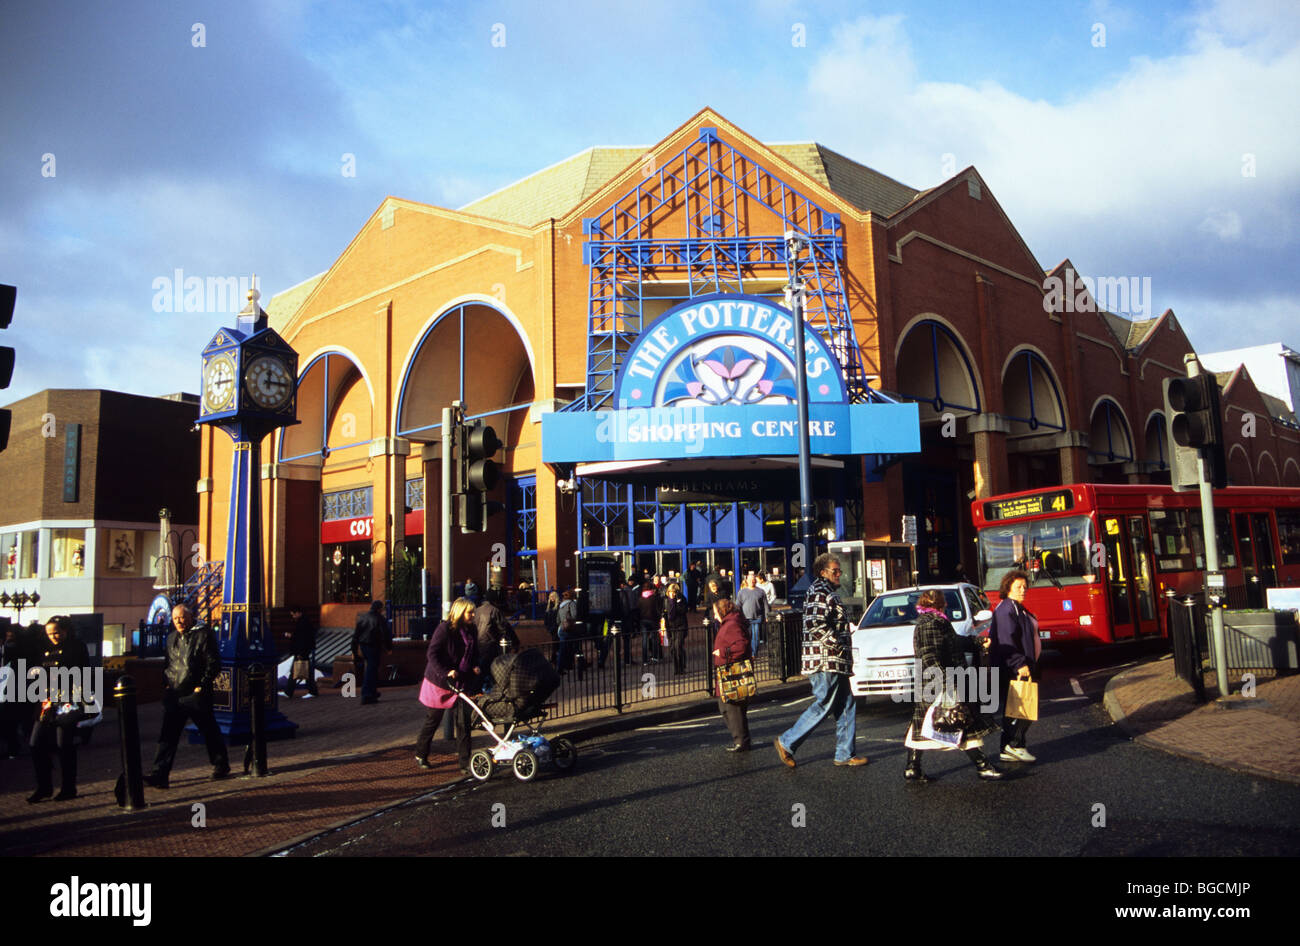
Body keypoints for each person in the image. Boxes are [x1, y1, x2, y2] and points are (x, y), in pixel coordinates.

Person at [774, 553, 867, 767]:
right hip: (825, 661)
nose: (839, 574)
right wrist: (837, 644)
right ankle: (786, 742)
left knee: (846, 705)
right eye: (835, 570)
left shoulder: (827, 591)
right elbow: (816, 625)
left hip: (836, 660)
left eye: (839, 571)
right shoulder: (818, 591)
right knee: (824, 703)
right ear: (823, 572)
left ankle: (845, 753)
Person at [903, 589, 1002, 781]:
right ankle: (983, 766)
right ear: (941, 605)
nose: (946, 606)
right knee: (962, 721)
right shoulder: (931, 624)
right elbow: (929, 656)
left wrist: (978, 642)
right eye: (944, 603)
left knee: (923, 725)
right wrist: (946, 685)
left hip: (933, 684)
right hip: (939, 684)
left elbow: (955, 641)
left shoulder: (936, 622)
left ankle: (912, 767)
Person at [144, 605, 230, 789]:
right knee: (168, 735)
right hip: (175, 694)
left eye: (182, 618)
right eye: (175, 619)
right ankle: (160, 774)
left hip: (195, 694)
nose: (179, 622)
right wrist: (167, 684)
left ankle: (221, 764)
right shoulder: (171, 639)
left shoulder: (203, 635)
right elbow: (168, 664)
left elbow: (213, 663)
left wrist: (201, 686)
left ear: (191, 617)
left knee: (209, 730)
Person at [27, 616, 93, 802]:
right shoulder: (44, 649)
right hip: (47, 703)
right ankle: (44, 786)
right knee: (35, 743)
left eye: (56, 632)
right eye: (49, 633)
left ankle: (68, 788)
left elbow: (82, 674)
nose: (53, 636)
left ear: (65, 630)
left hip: (67, 702)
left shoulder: (76, 647)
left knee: (64, 745)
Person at [415, 598, 481, 773]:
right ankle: (421, 753)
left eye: (473, 612)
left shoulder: (472, 629)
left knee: (463, 722)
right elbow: (432, 654)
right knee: (433, 719)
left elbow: (474, 652)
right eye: (470, 612)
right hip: (441, 681)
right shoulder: (445, 629)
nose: (473, 615)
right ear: (460, 612)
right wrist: (446, 672)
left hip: (462, 681)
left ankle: (464, 763)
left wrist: (475, 665)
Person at [990, 569, 1039, 763]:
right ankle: (1013, 745)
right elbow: (1006, 639)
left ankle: (1011, 746)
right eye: (1018, 586)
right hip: (1013, 668)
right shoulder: (1006, 609)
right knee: (1020, 708)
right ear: (1008, 587)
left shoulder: (1017, 607)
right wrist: (1020, 663)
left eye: (1025, 587)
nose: (1022, 590)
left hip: (1020, 665)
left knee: (1020, 707)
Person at [711, 597, 752, 752]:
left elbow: (741, 646)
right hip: (726, 672)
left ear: (723, 611)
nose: (714, 616)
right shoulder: (730, 622)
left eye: (715, 613)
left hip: (731, 673)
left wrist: (722, 652)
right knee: (726, 707)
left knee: (732, 708)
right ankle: (741, 739)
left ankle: (741, 741)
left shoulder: (732, 624)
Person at [351, 600, 392, 705]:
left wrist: (354, 650)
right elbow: (385, 634)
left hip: (364, 645)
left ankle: (372, 692)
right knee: (371, 670)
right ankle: (367, 694)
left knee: (370, 669)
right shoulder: (380, 618)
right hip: (374, 646)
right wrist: (388, 647)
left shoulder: (363, 617)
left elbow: (356, 635)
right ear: (380, 609)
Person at [474, 590, 519, 683]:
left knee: (481, 672)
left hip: (478, 645)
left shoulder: (477, 610)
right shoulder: (494, 610)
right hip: (490, 645)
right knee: (492, 671)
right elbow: (504, 628)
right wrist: (514, 642)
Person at [284, 606, 318, 699]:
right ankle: (289, 691)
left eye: (294, 614)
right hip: (303, 650)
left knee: (299, 671)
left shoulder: (302, 623)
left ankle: (290, 691)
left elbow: (302, 639)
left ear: (299, 613)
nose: (293, 616)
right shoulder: (304, 622)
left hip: (302, 651)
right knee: (303, 671)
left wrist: (300, 652)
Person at [736, 573, 769, 656]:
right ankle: (747, 653)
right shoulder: (741, 592)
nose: (752, 581)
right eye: (750, 580)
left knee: (756, 638)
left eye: (753, 579)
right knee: (746, 638)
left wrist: (767, 616)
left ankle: (754, 654)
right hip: (745, 619)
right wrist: (738, 617)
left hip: (757, 619)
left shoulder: (761, 592)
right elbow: (738, 606)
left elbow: (765, 605)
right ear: (747, 581)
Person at [663, 581, 689, 674]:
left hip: (680, 625)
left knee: (678, 646)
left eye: (674, 592)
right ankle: (676, 668)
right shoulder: (666, 601)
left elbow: (684, 610)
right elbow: (664, 614)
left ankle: (681, 667)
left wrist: (678, 603)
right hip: (670, 626)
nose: (672, 594)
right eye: (670, 592)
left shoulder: (681, 599)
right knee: (672, 648)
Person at [637, 581, 661, 664]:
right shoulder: (654, 598)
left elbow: (638, 610)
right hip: (653, 620)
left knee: (644, 640)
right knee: (654, 639)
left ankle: (644, 660)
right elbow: (657, 610)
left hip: (643, 620)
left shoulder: (640, 599)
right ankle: (654, 657)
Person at [556, 589, 580, 671]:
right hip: (569, 628)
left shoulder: (561, 605)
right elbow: (574, 615)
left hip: (562, 628)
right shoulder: (572, 604)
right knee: (573, 647)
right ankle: (563, 667)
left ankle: (562, 666)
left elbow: (558, 620)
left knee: (563, 648)